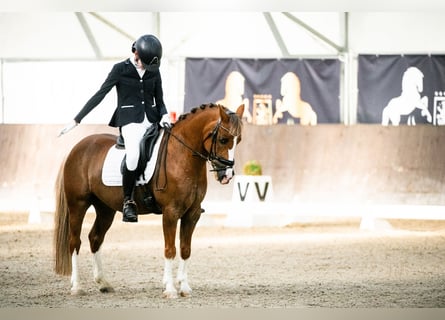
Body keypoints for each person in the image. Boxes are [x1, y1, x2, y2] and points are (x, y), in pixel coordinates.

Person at [59, 34, 171, 223]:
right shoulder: (120, 69)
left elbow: (159, 99)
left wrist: (165, 115)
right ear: (136, 53)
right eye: (143, 62)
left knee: (169, 149)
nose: (145, 67)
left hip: (152, 120)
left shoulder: (154, 70)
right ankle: (128, 201)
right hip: (130, 122)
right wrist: (77, 119)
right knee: (134, 155)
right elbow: (100, 94)